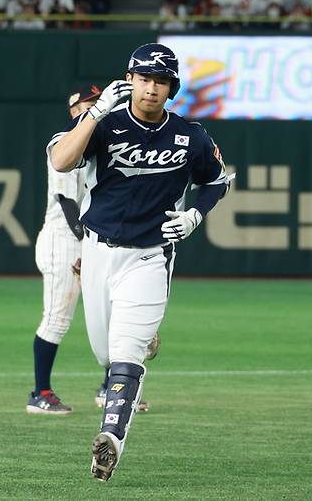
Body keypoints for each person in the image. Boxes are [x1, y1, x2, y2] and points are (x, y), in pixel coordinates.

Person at [48, 43, 233, 481]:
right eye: (144, 78)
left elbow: (217, 181)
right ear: (129, 79)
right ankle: (144, 336)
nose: (151, 88)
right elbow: (61, 161)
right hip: (96, 251)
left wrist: (194, 214)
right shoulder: (104, 122)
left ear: (172, 88)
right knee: (104, 352)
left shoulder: (191, 135)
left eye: (161, 81)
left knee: (125, 353)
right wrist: (93, 115)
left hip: (150, 256)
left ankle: (111, 437)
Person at [27, 85, 158, 415]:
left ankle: (109, 388)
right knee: (57, 319)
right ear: (74, 111)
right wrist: (85, 249)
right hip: (63, 241)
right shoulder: (63, 141)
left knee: (114, 315)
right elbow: (67, 202)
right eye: (91, 104)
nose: (101, 108)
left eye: (101, 102)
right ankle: (40, 393)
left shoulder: (106, 142)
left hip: (90, 239)